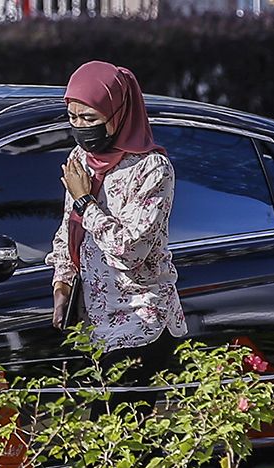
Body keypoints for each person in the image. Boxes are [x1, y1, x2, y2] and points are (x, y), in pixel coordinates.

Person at [48, 61, 186, 414]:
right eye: (72, 117)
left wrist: (86, 202)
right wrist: (62, 284)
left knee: (120, 444)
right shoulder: (82, 159)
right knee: (97, 447)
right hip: (95, 325)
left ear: (118, 113)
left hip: (140, 322)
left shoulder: (152, 169)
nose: (80, 128)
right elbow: (69, 231)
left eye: (90, 119)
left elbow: (130, 251)